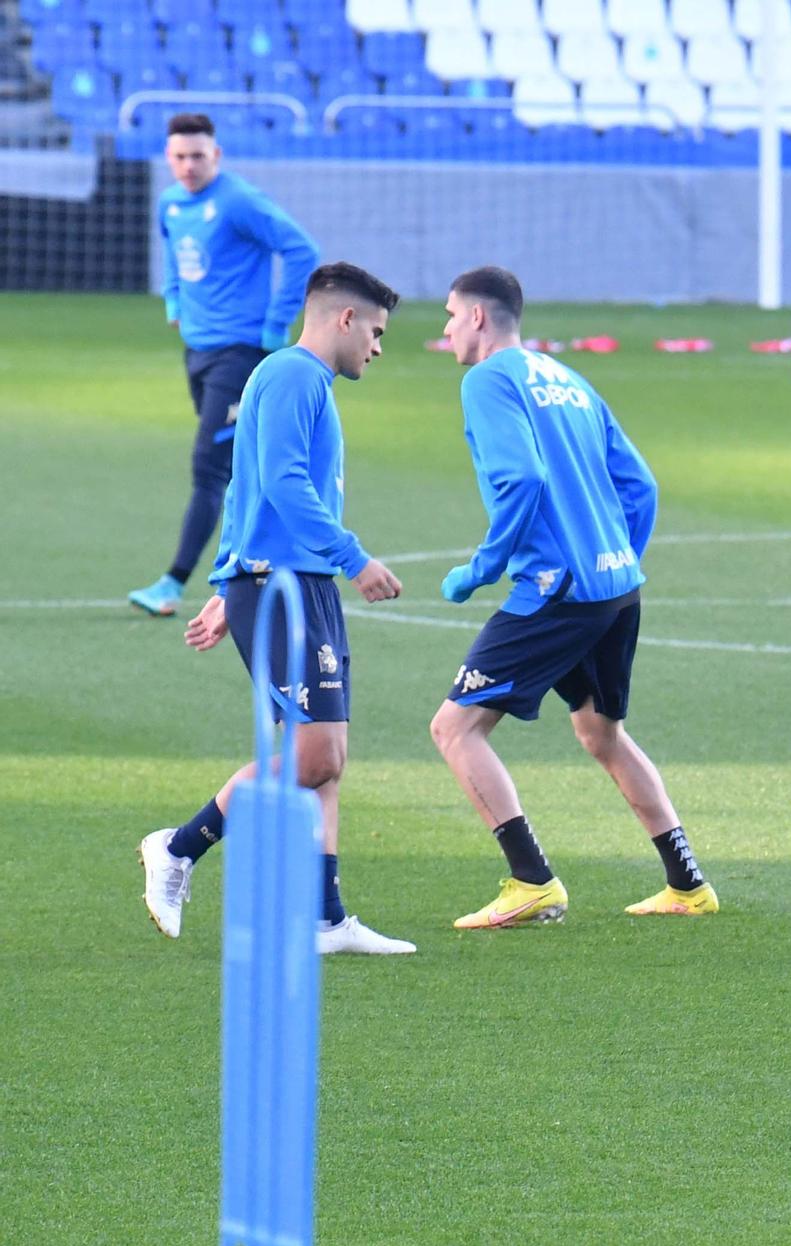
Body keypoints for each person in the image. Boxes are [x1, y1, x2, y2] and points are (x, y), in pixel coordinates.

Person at [138, 262, 414, 956]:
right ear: (344, 318)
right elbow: (286, 484)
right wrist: (354, 559)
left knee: (327, 759)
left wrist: (229, 580)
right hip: (286, 586)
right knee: (313, 753)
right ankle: (176, 848)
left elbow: (246, 489)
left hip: (289, 585)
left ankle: (325, 920)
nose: (378, 348)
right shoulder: (294, 375)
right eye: (376, 331)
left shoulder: (302, 380)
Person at [429, 266, 716, 929]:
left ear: (477, 317)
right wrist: (615, 557)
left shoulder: (487, 380)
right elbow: (640, 485)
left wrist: (483, 566)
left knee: (456, 727)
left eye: (449, 315)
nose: (444, 330)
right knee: (601, 732)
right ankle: (688, 882)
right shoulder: (568, 378)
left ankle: (531, 879)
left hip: (557, 590)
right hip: (617, 588)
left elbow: (523, 479)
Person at [129, 113, 321, 619]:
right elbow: (174, 253)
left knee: (208, 468)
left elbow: (302, 249)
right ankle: (269, 559)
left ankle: (173, 584)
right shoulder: (170, 203)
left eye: (198, 156)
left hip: (239, 355)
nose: (188, 166)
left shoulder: (239, 202)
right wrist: (174, 301)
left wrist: (277, 321)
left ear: (216, 156)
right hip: (197, 352)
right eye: (179, 157)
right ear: (168, 158)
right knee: (240, 466)